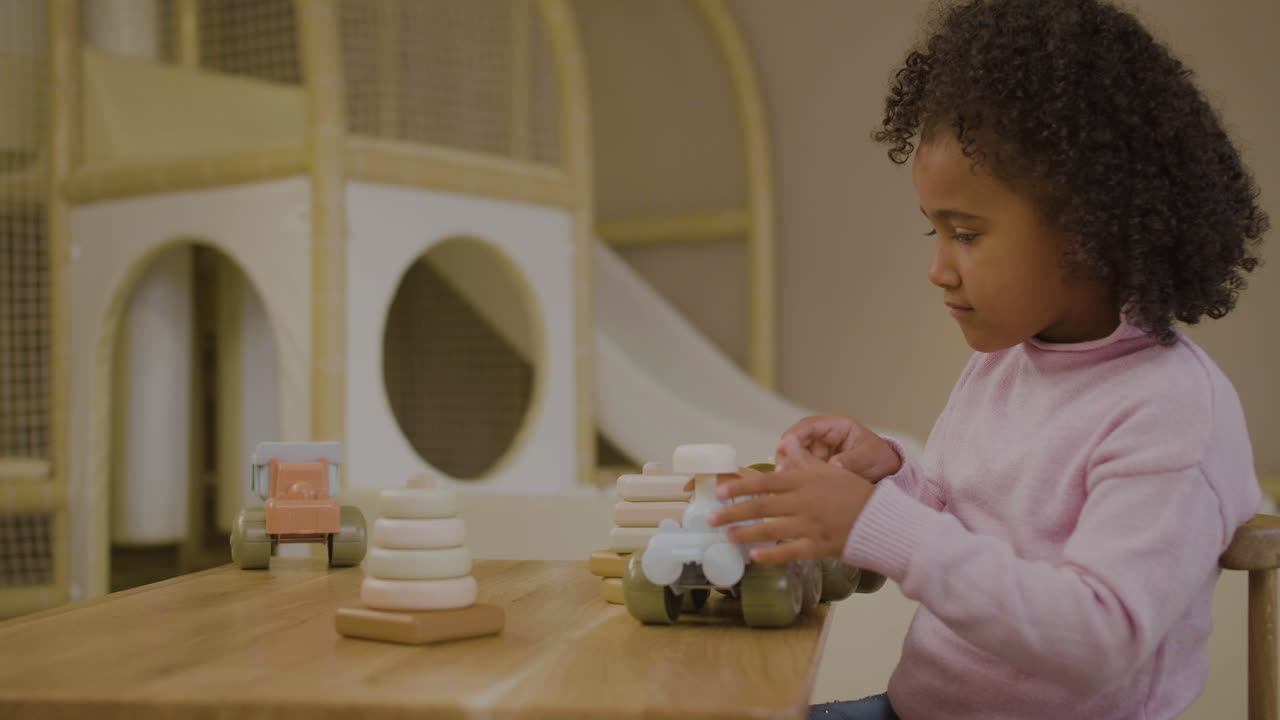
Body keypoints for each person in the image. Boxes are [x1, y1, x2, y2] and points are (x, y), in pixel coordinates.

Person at [707, 1, 1268, 718]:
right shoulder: (1007, 361)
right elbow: (960, 524)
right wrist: (888, 475)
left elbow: (1100, 636)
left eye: (966, 234)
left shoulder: (1170, 411)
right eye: (935, 233)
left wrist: (876, 522)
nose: (938, 269)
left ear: (1089, 231)